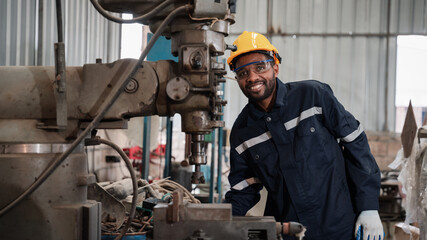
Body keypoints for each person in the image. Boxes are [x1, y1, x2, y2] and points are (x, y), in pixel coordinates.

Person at [224, 31, 384, 240]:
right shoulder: (242, 133)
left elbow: (356, 144)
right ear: (237, 79)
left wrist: (369, 206)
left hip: (340, 226)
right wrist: (215, 222)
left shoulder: (313, 96)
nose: (253, 77)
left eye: (260, 67)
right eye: (243, 73)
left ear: (275, 68)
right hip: (289, 232)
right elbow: (243, 190)